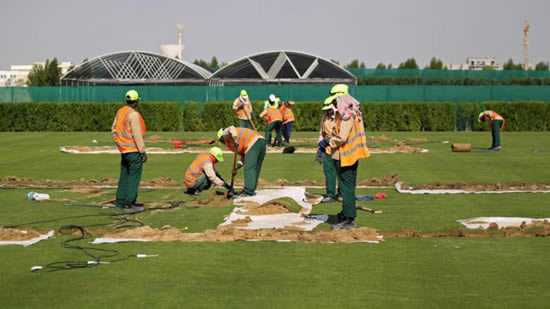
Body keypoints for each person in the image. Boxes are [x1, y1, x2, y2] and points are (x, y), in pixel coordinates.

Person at [320, 89, 370, 230]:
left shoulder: (347, 116)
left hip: (346, 156)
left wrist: (329, 141)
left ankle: (349, 218)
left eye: (336, 100)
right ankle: (346, 213)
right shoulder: (354, 113)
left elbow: (342, 137)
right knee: (348, 187)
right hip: (349, 155)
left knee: (346, 189)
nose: (335, 103)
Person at [111, 90, 147, 212]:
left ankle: (120, 201)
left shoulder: (120, 112)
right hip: (134, 151)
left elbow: (114, 129)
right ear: (136, 101)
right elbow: (137, 135)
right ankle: (129, 203)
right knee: (133, 178)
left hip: (124, 151)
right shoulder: (134, 115)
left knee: (124, 177)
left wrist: (119, 143)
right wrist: (142, 152)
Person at [217, 126, 266, 197]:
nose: (224, 143)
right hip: (261, 143)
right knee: (255, 168)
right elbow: (244, 157)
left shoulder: (226, 134)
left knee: (249, 167)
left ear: (222, 138)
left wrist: (235, 139)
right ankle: (251, 190)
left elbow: (231, 128)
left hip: (253, 141)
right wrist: (237, 167)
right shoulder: (233, 146)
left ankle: (248, 191)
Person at [318, 104, 341, 203]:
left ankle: (342, 194)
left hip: (339, 149)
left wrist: (329, 140)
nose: (328, 111)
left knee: (341, 173)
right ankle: (330, 194)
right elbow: (321, 132)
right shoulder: (324, 117)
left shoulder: (340, 117)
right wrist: (320, 143)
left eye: (330, 109)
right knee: (328, 172)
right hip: (328, 149)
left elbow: (341, 135)